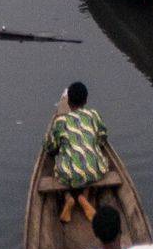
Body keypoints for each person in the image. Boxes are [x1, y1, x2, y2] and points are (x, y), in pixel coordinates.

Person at [44, 82, 110, 224]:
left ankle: (69, 197)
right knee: (92, 166)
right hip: (95, 172)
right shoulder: (93, 115)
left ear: (68, 102)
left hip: (69, 175)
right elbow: (103, 137)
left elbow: (50, 147)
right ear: (86, 101)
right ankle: (84, 197)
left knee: (61, 168)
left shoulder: (60, 121)